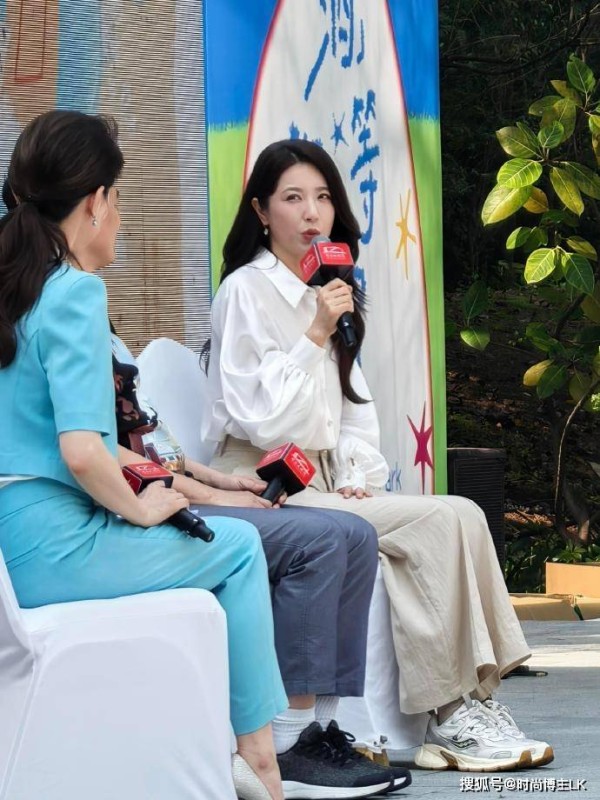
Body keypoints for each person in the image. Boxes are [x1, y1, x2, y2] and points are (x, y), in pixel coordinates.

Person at [202, 138, 554, 773]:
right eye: (292, 198)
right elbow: (262, 417)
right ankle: (449, 712)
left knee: (463, 510)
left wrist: (359, 474)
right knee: (437, 520)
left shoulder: (331, 290)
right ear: (260, 211)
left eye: (322, 198)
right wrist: (314, 332)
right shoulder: (244, 292)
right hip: (261, 482)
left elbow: (351, 407)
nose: (312, 213)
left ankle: (475, 700)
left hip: (325, 480)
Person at [0, 111, 291, 800]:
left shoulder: (15, 290)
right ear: (95, 201)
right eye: (119, 198)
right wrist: (142, 507)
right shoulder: (72, 292)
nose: (121, 218)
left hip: (14, 551)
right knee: (239, 549)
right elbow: (81, 452)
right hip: (55, 549)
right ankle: (259, 760)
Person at [110, 327, 410, 798]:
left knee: (356, 534)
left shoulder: (104, 332)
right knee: (318, 541)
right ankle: (287, 744)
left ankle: (317, 731)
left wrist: (224, 483)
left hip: (181, 490)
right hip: (142, 509)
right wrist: (212, 496)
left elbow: (159, 452)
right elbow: (110, 456)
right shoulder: (61, 325)